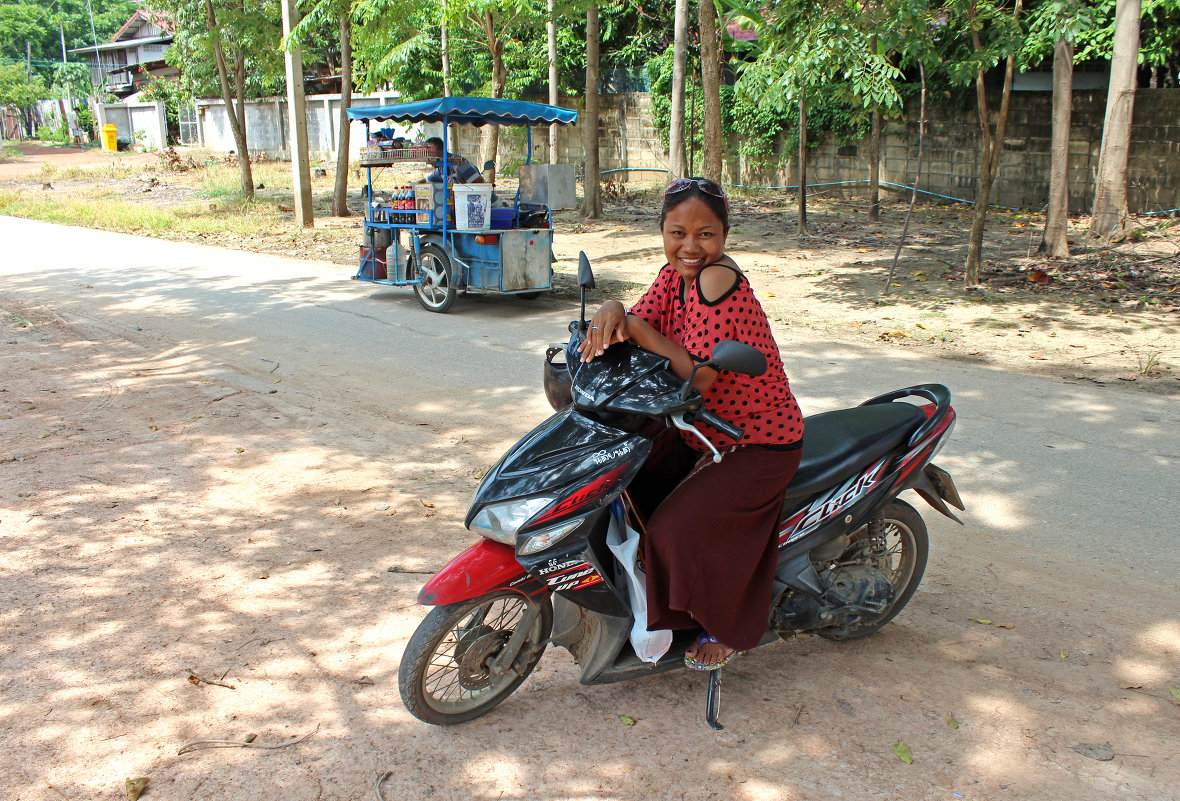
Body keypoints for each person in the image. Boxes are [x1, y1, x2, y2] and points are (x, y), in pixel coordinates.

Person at [577, 177, 804, 670]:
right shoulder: (672, 275)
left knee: (672, 531)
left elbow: (699, 376)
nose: (690, 246)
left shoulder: (717, 279)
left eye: (706, 234)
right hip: (699, 428)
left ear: (724, 237)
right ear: (662, 230)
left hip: (756, 440)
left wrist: (635, 327)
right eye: (678, 232)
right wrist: (615, 310)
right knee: (625, 481)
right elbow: (640, 319)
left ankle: (725, 627)